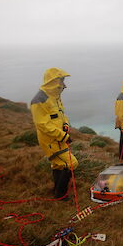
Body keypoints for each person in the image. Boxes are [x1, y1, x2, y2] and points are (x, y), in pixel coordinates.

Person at [30, 67, 78, 200]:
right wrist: (63, 136)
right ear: (54, 81)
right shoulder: (39, 99)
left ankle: (57, 192)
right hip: (50, 141)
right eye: (62, 81)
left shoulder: (55, 97)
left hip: (58, 138)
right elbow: (42, 124)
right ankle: (61, 195)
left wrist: (66, 125)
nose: (65, 85)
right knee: (71, 163)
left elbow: (62, 115)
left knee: (57, 164)